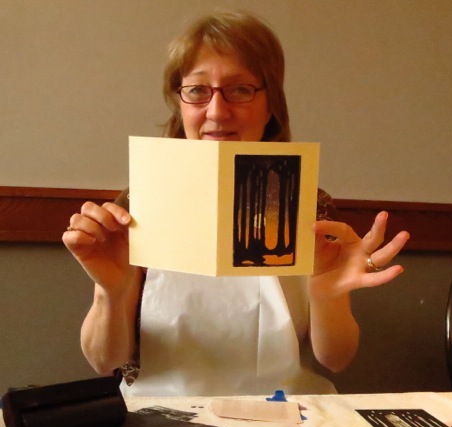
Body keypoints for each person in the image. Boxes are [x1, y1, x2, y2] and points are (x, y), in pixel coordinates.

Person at [63, 10, 409, 397]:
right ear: (179, 101)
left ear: (270, 103)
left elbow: (335, 359)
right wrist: (110, 292)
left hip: (286, 413)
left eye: (240, 89)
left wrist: (327, 296)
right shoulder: (138, 203)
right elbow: (104, 361)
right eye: (198, 90)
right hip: (162, 416)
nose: (216, 111)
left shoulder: (310, 205)